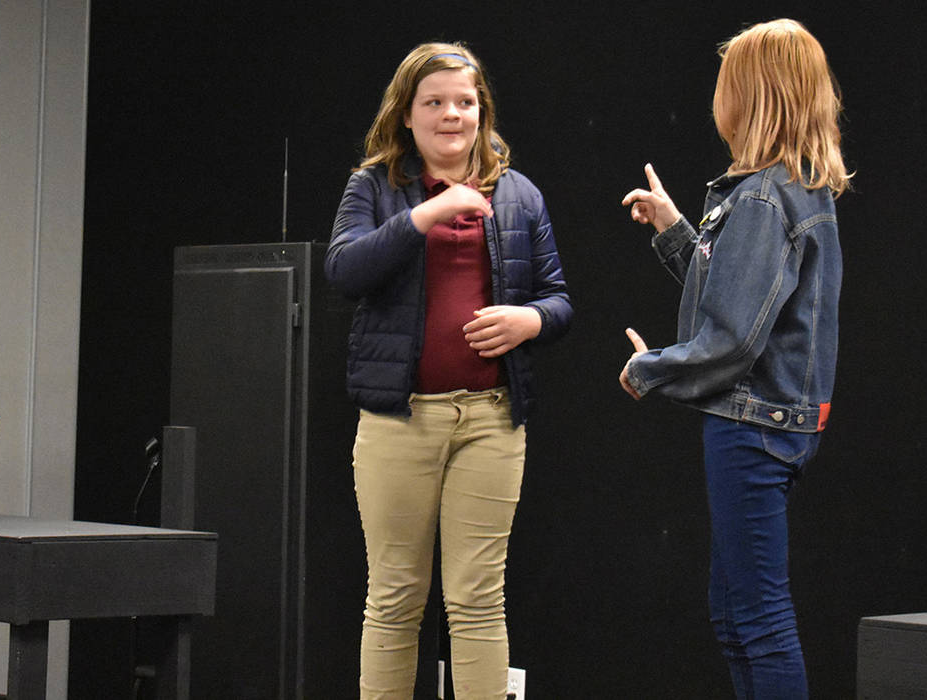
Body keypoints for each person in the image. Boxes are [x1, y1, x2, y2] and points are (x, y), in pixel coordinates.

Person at [325, 42, 571, 699]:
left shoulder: (518, 195)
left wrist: (532, 321)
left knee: (478, 599)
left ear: (482, 112)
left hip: (491, 422)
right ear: (407, 114)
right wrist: (422, 218)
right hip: (398, 422)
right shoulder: (374, 187)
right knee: (396, 595)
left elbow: (559, 298)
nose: (451, 114)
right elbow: (344, 269)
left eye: (465, 102)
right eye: (434, 102)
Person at [619, 19, 850, 699]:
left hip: (751, 429)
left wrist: (650, 369)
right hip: (775, 424)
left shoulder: (760, 196)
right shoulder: (795, 190)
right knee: (736, 616)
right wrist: (675, 231)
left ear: (751, 96)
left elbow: (732, 340)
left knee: (758, 621)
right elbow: (745, 301)